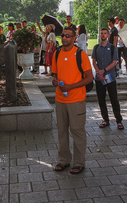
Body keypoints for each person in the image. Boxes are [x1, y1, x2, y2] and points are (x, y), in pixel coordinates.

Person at [51, 26, 93, 175]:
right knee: (62, 131)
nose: (64, 38)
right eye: (63, 35)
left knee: (77, 131)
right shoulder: (57, 54)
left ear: (74, 38)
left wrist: (71, 87)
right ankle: (64, 160)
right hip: (60, 99)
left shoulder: (80, 54)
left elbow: (89, 78)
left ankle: (79, 162)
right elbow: (54, 75)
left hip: (76, 99)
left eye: (68, 36)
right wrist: (55, 82)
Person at [92, 28, 124, 129]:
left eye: (105, 33)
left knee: (113, 99)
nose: (103, 35)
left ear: (108, 35)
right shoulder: (96, 47)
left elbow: (114, 62)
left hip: (109, 77)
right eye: (101, 33)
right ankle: (105, 119)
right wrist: (98, 72)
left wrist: (104, 70)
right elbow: (94, 61)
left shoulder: (113, 48)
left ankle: (119, 120)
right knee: (101, 99)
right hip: (99, 78)